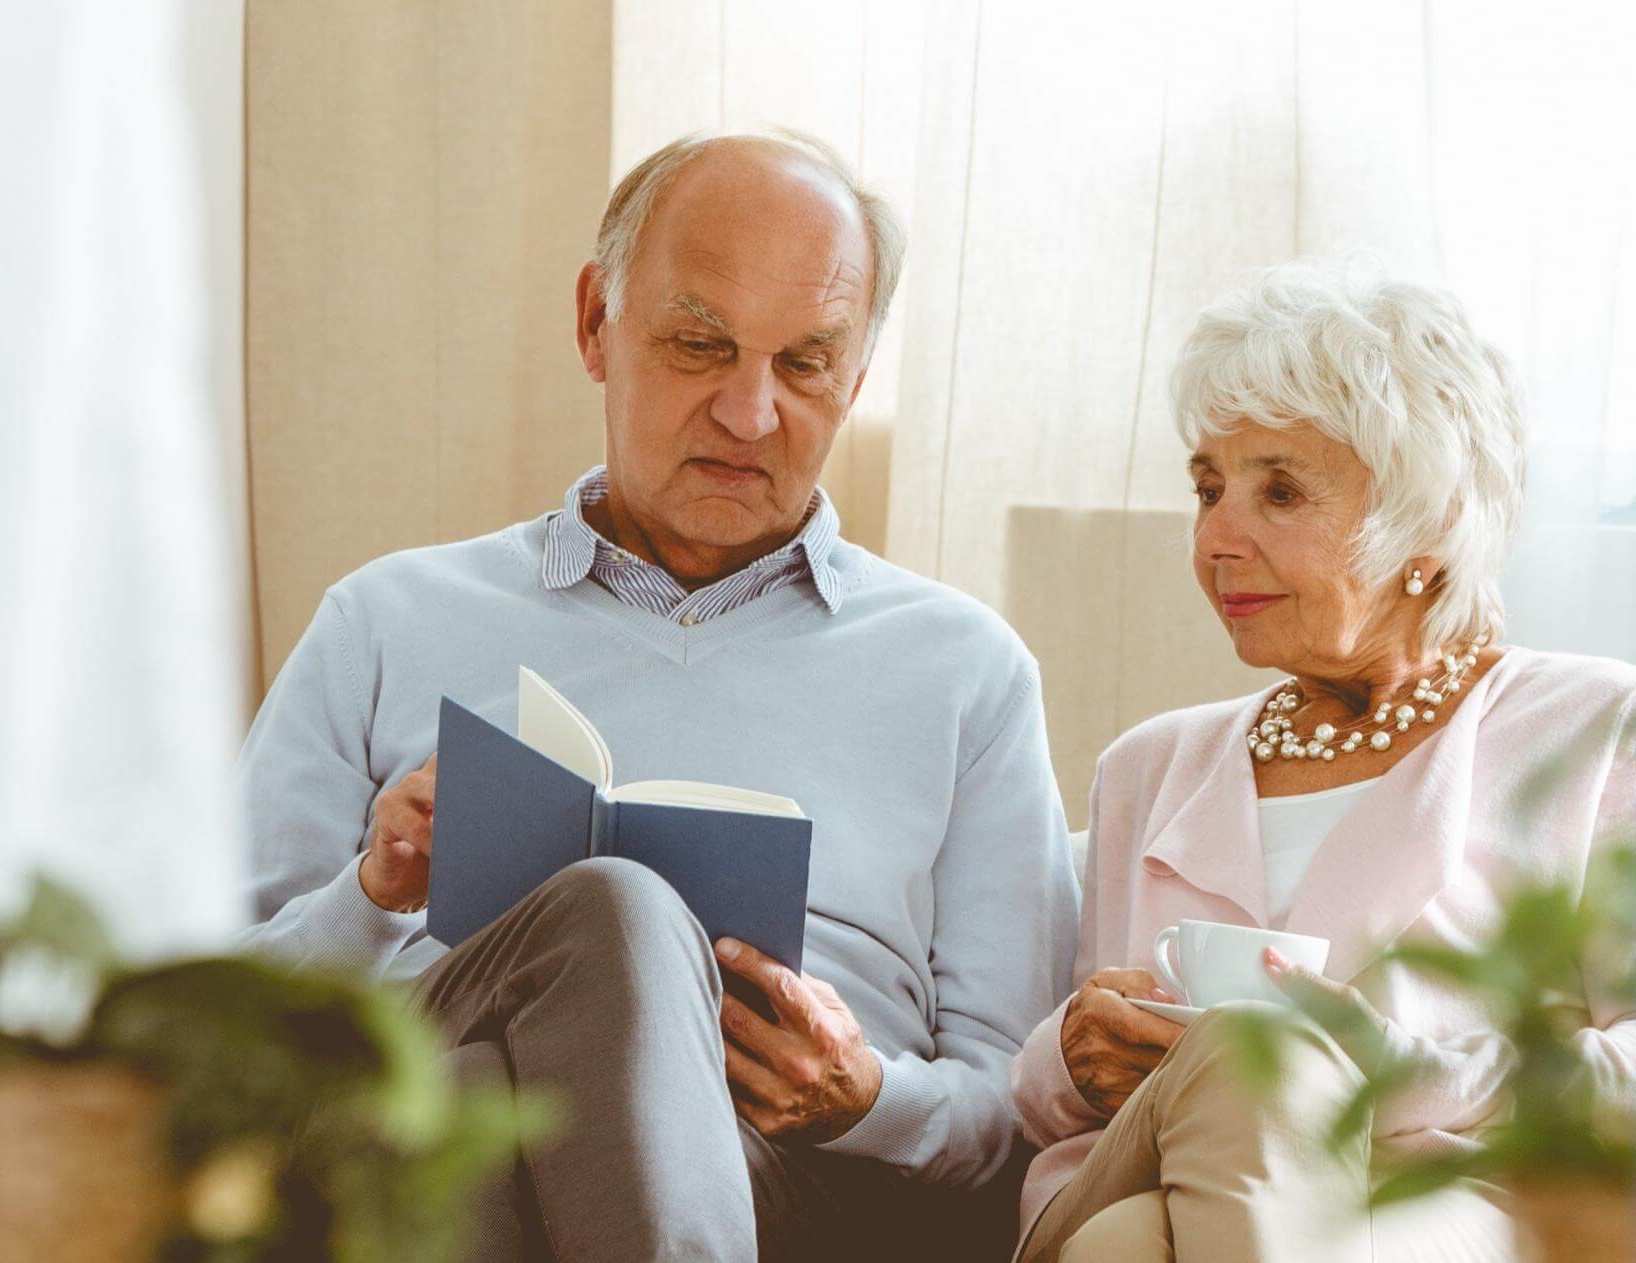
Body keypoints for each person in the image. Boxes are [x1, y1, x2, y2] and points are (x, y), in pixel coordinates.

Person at [236, 128, 1079, 1261]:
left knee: (494, 1122)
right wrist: (376, 894)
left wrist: (862, 1092)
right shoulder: (385, 619)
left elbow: (1016, 1110)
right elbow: (217, 1034)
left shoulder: (965, 671)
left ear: (859, 377)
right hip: (408, 1109)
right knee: (591, 944)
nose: (750, 414)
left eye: (806, 364)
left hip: (789, 1185)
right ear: (595, 323)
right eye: (700, 345)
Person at [1010, 261, 1636, 1261]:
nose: (1219, 538)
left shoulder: (1598, 729)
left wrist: (1393, 1071)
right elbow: (1045, 1107)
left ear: (1425, 526)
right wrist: (1076, 1058)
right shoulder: (1149, 766)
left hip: (1446, 1202)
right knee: (1183, 1133)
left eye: (1281, 492)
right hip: (1139, 1168)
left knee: (1128, 1244)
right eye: (1210, 489)